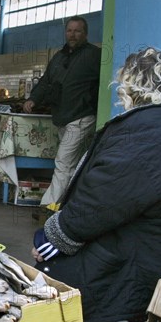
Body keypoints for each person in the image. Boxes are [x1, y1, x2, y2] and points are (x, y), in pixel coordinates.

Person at [31, 47, 161, 322]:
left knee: (54, 273)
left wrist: (56, 234)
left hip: (160, 255)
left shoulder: (150, 133)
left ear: (131, 87)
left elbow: (102, 201)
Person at [23, 16, 101, 209]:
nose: (72, 34)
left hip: (82, 117)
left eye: (77, 31)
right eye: (69, 30)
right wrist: (33, 98)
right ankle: (68, 207)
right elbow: (45, 82)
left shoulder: (94, 55)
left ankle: (47, 207)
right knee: (72, 166)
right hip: (62, 118)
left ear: (85, 33)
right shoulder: (59, 57)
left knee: (63, 163)